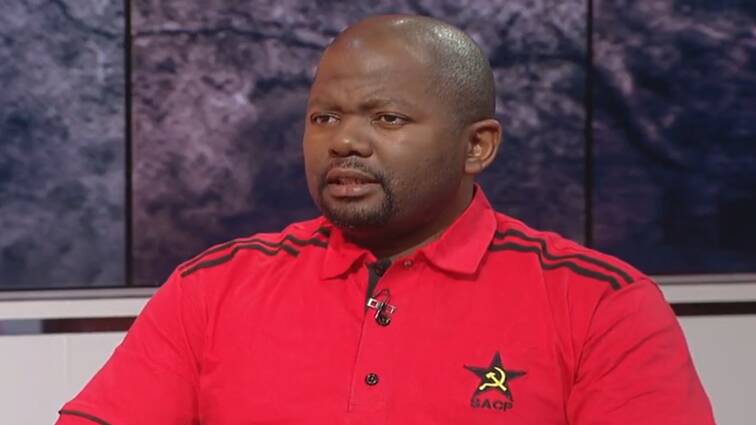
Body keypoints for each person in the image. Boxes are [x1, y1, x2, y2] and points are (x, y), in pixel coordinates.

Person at [56, 14, 715, 425]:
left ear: (477, 146)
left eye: (387, 118)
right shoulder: (212, 288)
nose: (345, 140)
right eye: (324, 117)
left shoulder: (601, 305)